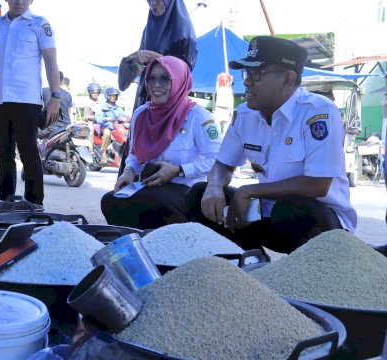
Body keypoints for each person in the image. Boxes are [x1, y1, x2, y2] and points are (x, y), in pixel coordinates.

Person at [183, 36, 357, 254]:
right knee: (199, 197)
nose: (247, 81)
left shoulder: (318, 112)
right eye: (246, 72)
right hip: (265, 214)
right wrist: (214, 186)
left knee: (294, 207)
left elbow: (318, 184)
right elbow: (222, 165)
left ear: (287, 78)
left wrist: (249, 191)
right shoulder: (245, 115)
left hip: (319, 223)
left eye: (257, 73)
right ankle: (249, 266)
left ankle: (307, 279)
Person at [100, 56, 222, 229]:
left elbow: (217, 161)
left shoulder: (198, 117)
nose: (156, 85)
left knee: (155, 203)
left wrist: (178, 171)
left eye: (165, 78)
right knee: (110, 201)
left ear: (180, 81)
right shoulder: (141, 114)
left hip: (187, 189)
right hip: (150, 186)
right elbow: (134, 153)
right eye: (152, 78)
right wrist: (128, 171)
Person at [0, 0, 60, 205]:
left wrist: (55, 97)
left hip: (27, 100)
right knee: (3, 155)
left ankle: (35, 205)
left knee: (29, 152)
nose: (20, 1)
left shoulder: (40, 24)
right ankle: (6, 202)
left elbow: (51, 61)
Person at [118, 0, 198, 175]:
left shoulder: (183, 28)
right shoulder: (149, 29)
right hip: (146, 97)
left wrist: (151, 56)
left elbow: (184, 70)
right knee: (136, 151)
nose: (154, 4)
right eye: (150, 1)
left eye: (158, 0)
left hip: (171, 105)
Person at [95, 87, 128, 163]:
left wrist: (124, 118)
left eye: (114, 96)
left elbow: (124, 116)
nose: (113, 97)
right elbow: (98, 118)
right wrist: (106, 119)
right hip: (107, 127)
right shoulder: (103, 107)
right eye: (111, 96)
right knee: (107, 133)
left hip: (117, 127)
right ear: (107, 96)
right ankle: (103, 152)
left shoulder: (118, 108)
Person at [39, 71, 73, 139]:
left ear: (50, 78)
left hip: (51, 127)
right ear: (62, 81)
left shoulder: (43, 91)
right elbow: (69, 113)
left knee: (34, 133)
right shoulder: (68, 94)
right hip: (66, 126)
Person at [83, 82, 103, 149]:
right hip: (90, 122)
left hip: (100, 122)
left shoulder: (101, 103)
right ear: (90, 93)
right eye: (93, 92)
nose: (94, 94)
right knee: (90, 129)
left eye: (96, 93)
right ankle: (90, 149)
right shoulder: (88, 103)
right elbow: (86, 116)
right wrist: (94, 118)